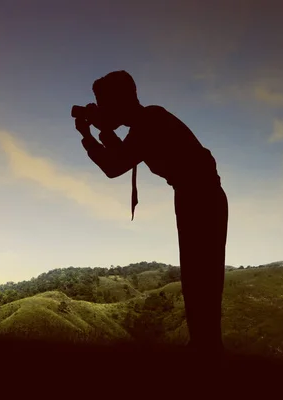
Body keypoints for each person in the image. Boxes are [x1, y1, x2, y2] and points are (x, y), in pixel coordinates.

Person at [74, 70, 229, 365]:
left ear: (121, 100)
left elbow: (114, 165)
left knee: (202, 277)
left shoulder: (150, 121)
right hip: (194, 195)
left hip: (200, 196)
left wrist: (89, 136)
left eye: (103, 103)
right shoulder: (146, 123)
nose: (102, 109)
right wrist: (99, 132)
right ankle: (205, 350)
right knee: (197, 277)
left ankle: (208, 353)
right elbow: (123, 156)